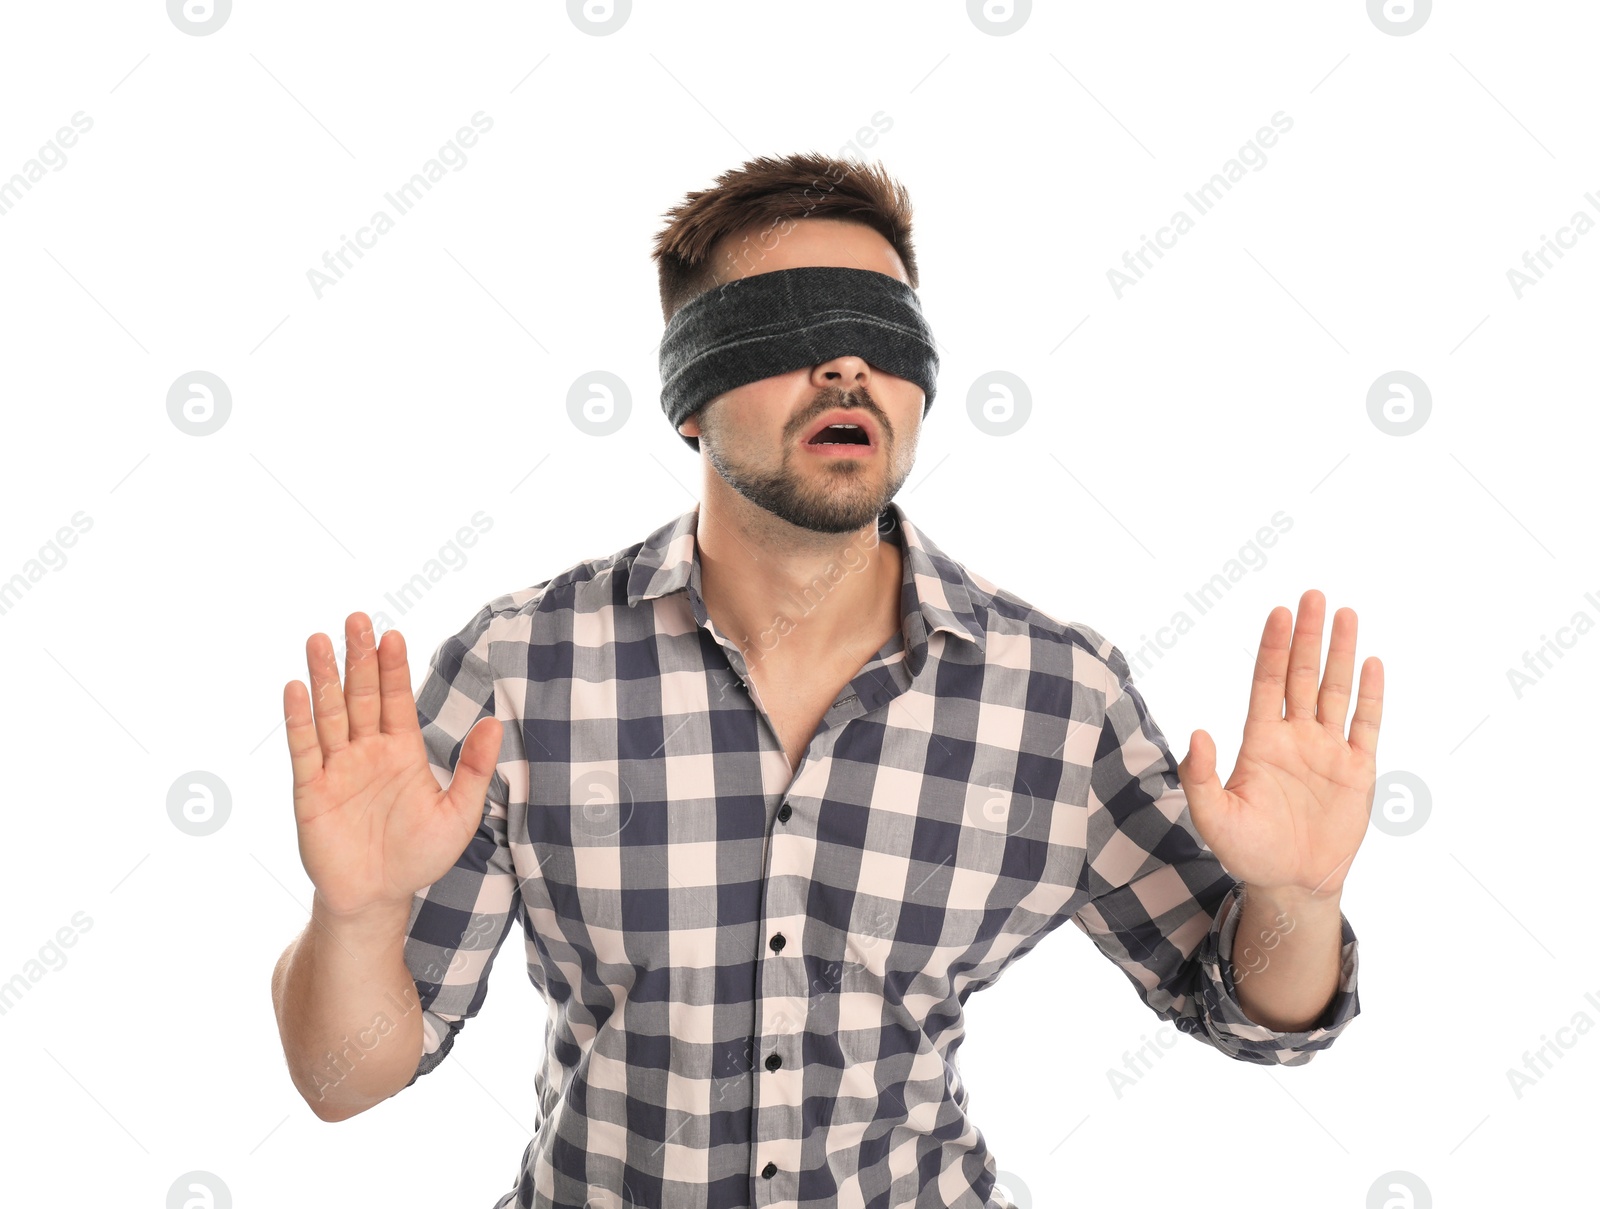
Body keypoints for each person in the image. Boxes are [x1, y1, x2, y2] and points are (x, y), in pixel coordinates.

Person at [270, 151, 1383, 1209]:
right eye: (789, 330)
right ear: (690, 395)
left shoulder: (1057, 698)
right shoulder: (522, 670)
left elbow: (1246, 1011)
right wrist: (357, 913)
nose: (847, 367)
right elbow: (344, 1078)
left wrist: (1295, 901)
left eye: (879, 333)